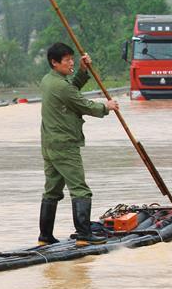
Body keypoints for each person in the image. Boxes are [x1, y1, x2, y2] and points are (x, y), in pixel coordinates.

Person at [38, 43, 119, 247]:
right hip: (65, 145)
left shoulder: (48, 80)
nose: (71, 62)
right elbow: (82, 104)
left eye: (72, 58)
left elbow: (71, 90)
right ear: (54, 63)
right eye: (66, 60)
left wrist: (82, 71)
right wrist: (106, 107)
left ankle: (45, 237)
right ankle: (84, 235)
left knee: (52, 191)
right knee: (80, 190)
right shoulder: (60, 86)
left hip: (49, 144)